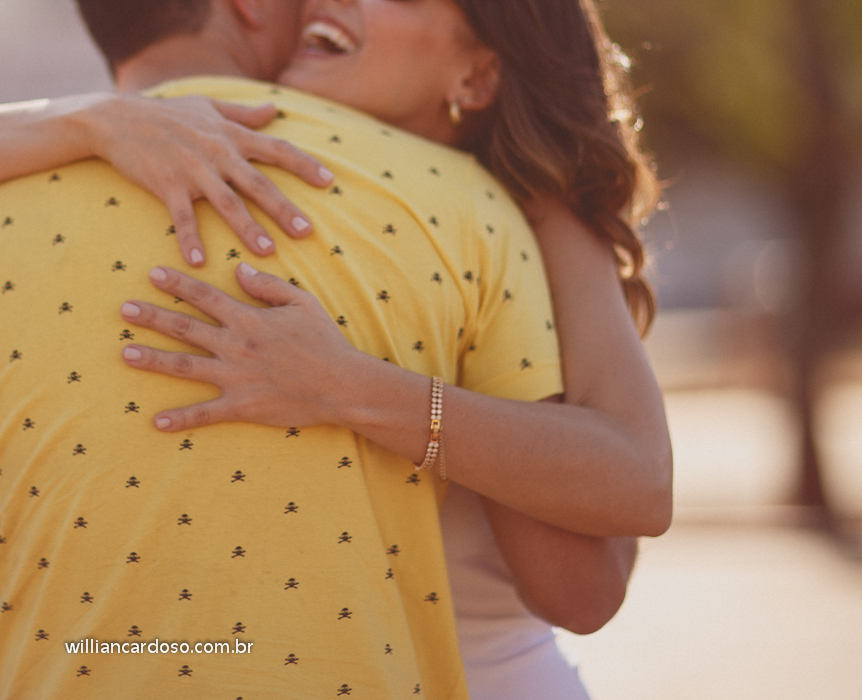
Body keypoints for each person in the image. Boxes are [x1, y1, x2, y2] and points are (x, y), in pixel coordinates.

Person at [0, 0, 672, 697]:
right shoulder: (212, 148)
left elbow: (595, 574)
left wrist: (350, 386)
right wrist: (93, 118)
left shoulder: (528, 216)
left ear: (475, 78)